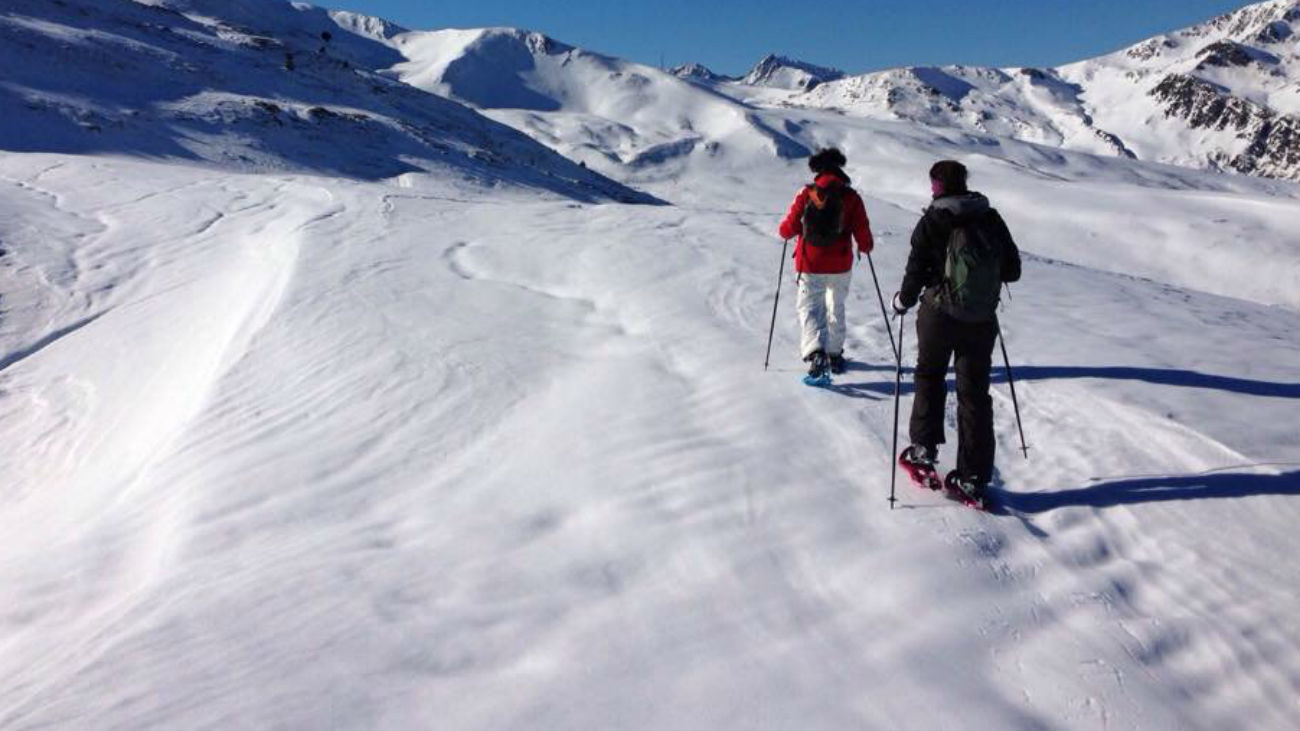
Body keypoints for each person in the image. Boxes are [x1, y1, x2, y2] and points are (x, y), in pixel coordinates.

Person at [891, 160, 1021, 506]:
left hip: (938, 314)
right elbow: (1013, 270)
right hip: (981, 318)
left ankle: (923, 449)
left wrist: (902, 302)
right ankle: (973, 477)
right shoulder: (990, 217)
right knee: (975, 394)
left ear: (937, 185)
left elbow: (915, 270)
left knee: (930, 376)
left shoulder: (933, 220)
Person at [777, 148, 875, 381]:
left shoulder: (806, 193)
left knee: (810, 307)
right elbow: (864, 237)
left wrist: (791, 231)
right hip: (841, 264)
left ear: (817, 170)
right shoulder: (851, 197)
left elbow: (786, 229)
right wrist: (865, 246)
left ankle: (815, 350)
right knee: (835, 306)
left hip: (810, 263)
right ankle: (834, 353)